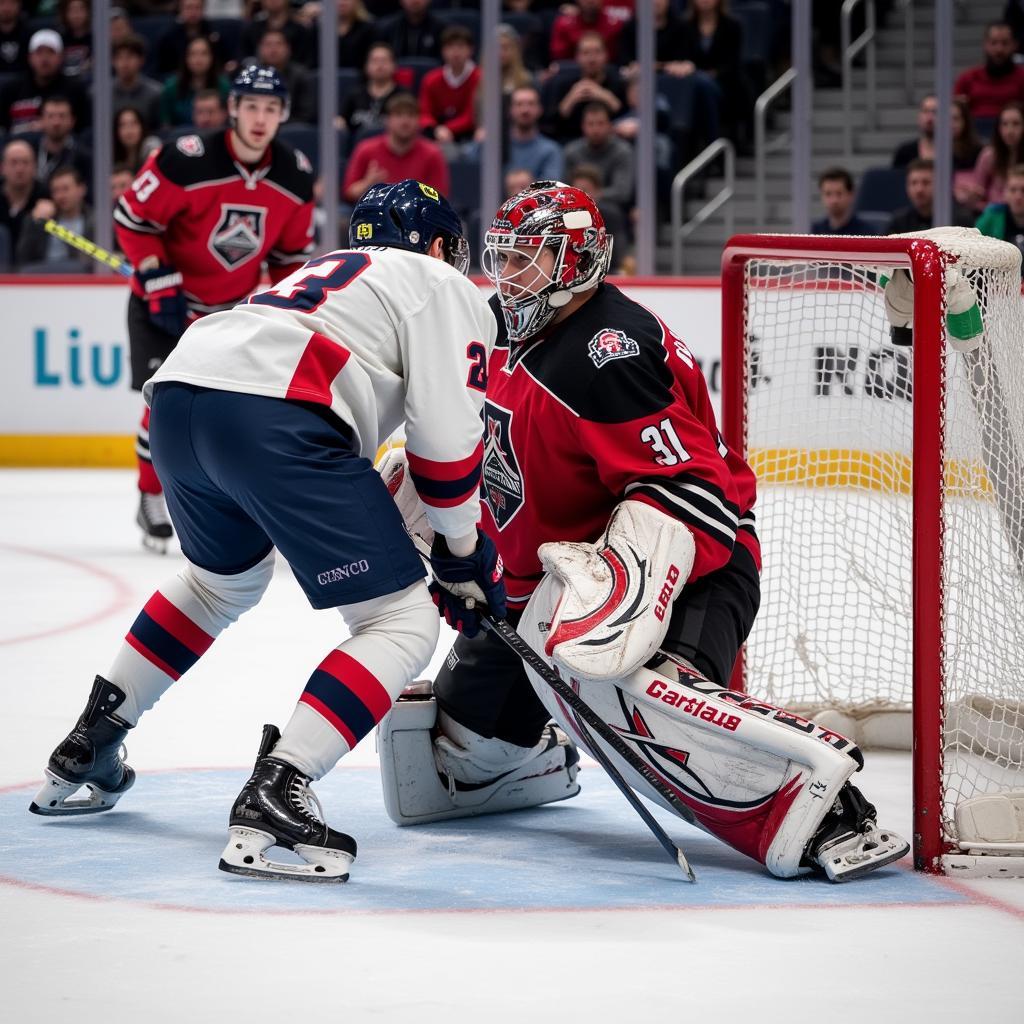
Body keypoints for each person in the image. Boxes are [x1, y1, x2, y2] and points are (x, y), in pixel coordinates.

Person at [376, 180, 910, 883]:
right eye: (504, 258)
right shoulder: (500, 328)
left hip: (691, 575)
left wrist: (625, 586)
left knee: (649, 704)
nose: (509, 276)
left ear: (577, 262)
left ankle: (833, 812)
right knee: (454, 754)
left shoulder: (608, 354)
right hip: (543, 594)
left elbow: (696, 496)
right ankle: (545, 743)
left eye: (529, 259)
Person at [29, 178, 503, 886]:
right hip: (278, 410)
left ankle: (91, 740)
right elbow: (445, 443)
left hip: (181, 398)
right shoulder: (439, 281)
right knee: (401, 621)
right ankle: (281, 788)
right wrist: (466, 555)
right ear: (438, 245)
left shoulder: (326, 272)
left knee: (219, 583)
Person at [114, 65, 316, 552]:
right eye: (251, 106)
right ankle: (150, 497)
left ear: (283, 114)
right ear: (232, 109)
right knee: (163, 405)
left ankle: (230, 500)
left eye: (271, 109)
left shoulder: (295, 174)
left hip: (229, 312)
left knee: (239, 408)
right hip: (163, 304)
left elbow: (288, 258)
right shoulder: (185, 159)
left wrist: (284, 308)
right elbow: (131, 218)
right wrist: (154, 270)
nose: (260, 118)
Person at [342, 91, 448, 203]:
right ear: (387, 120)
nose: (405, 121)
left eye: (411, 115)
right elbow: (349, 193)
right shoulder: (365, 149)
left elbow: (440, 198)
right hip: (374, 216)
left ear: (419, 121)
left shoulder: (432, 154)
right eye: (398, 115)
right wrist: (368, 183)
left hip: (416, 216)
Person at [0, 28, 89, 134]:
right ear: (30, 57)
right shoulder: (11, 89)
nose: (44, 58)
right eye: (39, 52)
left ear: (61, 57)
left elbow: (84, 130)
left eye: (51, 52)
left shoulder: (75, 90)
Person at [562, 100, 634, 226]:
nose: (595, 129)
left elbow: (622, 191)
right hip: (574, 206)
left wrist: (590, 196)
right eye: (590, 124)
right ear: (583, 126)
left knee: (608, 211)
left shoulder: (622, 151)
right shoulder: (571, 151)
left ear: (610, 125)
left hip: (610, 209)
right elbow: (563, 188)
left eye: (600, 123)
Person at [15, 164, 93, 270]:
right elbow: (23, 260)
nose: (60, 196)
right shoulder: (42, 218)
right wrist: (35, 223)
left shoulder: (95, 221)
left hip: (80, 280)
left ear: (81, 189)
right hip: (44, 278)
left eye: (66, 189)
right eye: (56, 191)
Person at [418, 24, 480, 148]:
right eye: (450, 47)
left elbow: (472, 115)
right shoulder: (431, 79)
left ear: (471, 50)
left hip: (469, 135)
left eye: (461, 47)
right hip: (436, 135)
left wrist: (447, 129)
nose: (455, 52)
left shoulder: (480, 78)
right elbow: (424, 112)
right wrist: (435, 129)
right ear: (443, 51)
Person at [954, 21, 1024, 124]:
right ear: (985, 45)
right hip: (974, 135)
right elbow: (954, 113)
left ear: (1014, 45)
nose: (999, 49)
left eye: (1005, 43)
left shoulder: (1022, 77)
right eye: (994, 43)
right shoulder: (967, 78)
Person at [887, 158, 974, 233]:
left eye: (926, 182)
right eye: (913, 183)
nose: (919, 189)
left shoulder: (960, 221)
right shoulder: (898, 222)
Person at [160, 36, 231, 128]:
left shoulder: (224, 86)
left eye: (204, 54)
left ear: (212, 57)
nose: (198, 59)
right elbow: (166, 124)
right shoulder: (171, 87)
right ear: (185, 58)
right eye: (193, 54)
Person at [32, 93, 92, 191]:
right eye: (50, 116)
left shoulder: (83, 157)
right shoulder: (29, 150)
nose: (56, 122)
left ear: (72, 121)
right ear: (41, 120)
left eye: (62, 116)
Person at [339, 40, 399, 136]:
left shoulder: (402, 95)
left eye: (384, 61)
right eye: (375, 61)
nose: (379, 66)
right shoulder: (354, 94)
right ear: (366, 66)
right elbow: (341, 120)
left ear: (394, 65)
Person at [505, 84, 563, 182]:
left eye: (531, 104)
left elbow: (550, 191)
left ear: (540, 109)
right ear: (510, 110)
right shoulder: (495, 148)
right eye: (519, 104)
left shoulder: (551, 150)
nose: (525, 110)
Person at [971, 101, 1024, 206]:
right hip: (994, 214)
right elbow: (977, 193)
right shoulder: (988, 155)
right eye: (1004, 124)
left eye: (1016, 124)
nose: (1010, 130)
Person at [0, 138, 47, 254]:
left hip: (34, 265)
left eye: (25, 162)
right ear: (2, 168)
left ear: (35, 167)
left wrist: (49, 220)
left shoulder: (46, 195)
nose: (19, 169)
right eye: (14, 162)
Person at [976, 162, 1024, 274]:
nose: (1018, 196)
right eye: (1013, 190)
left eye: (1023, 190)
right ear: (1005, 193)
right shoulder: (992, 215)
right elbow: (973, 242)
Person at [112, 35, 162, 133]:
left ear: (141, 60)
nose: (124, 63)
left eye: (129, 57)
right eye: (119, 57)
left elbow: (159, 131)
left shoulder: (156, 94)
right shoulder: (99, 95)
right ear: (113, 61)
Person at [811, 167, 878, 235]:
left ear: (851, 195)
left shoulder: (866, 233)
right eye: (828, 194)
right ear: (821, 195)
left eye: (839, 193)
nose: (834, 200)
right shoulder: (815, 231)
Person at [113, 105, 161, 173]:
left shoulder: (151, 145)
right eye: (122, 125)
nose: (129, 130)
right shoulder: (110, 153)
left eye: (134, 123)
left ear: (142, 127)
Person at [0, 0, 30, 75]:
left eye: (11, 2)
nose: (6, 8)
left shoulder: (29, 34)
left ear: (20, 5)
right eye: (2, 3)